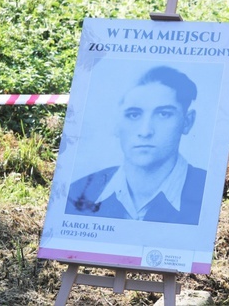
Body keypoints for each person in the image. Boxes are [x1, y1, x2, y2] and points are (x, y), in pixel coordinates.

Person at [65, 65, 206, 225]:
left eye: (163, 114)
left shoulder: (207, 191)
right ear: (116, 124)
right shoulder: (78, 192)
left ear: (187, 122)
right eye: (133, 115)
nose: (145, 131)